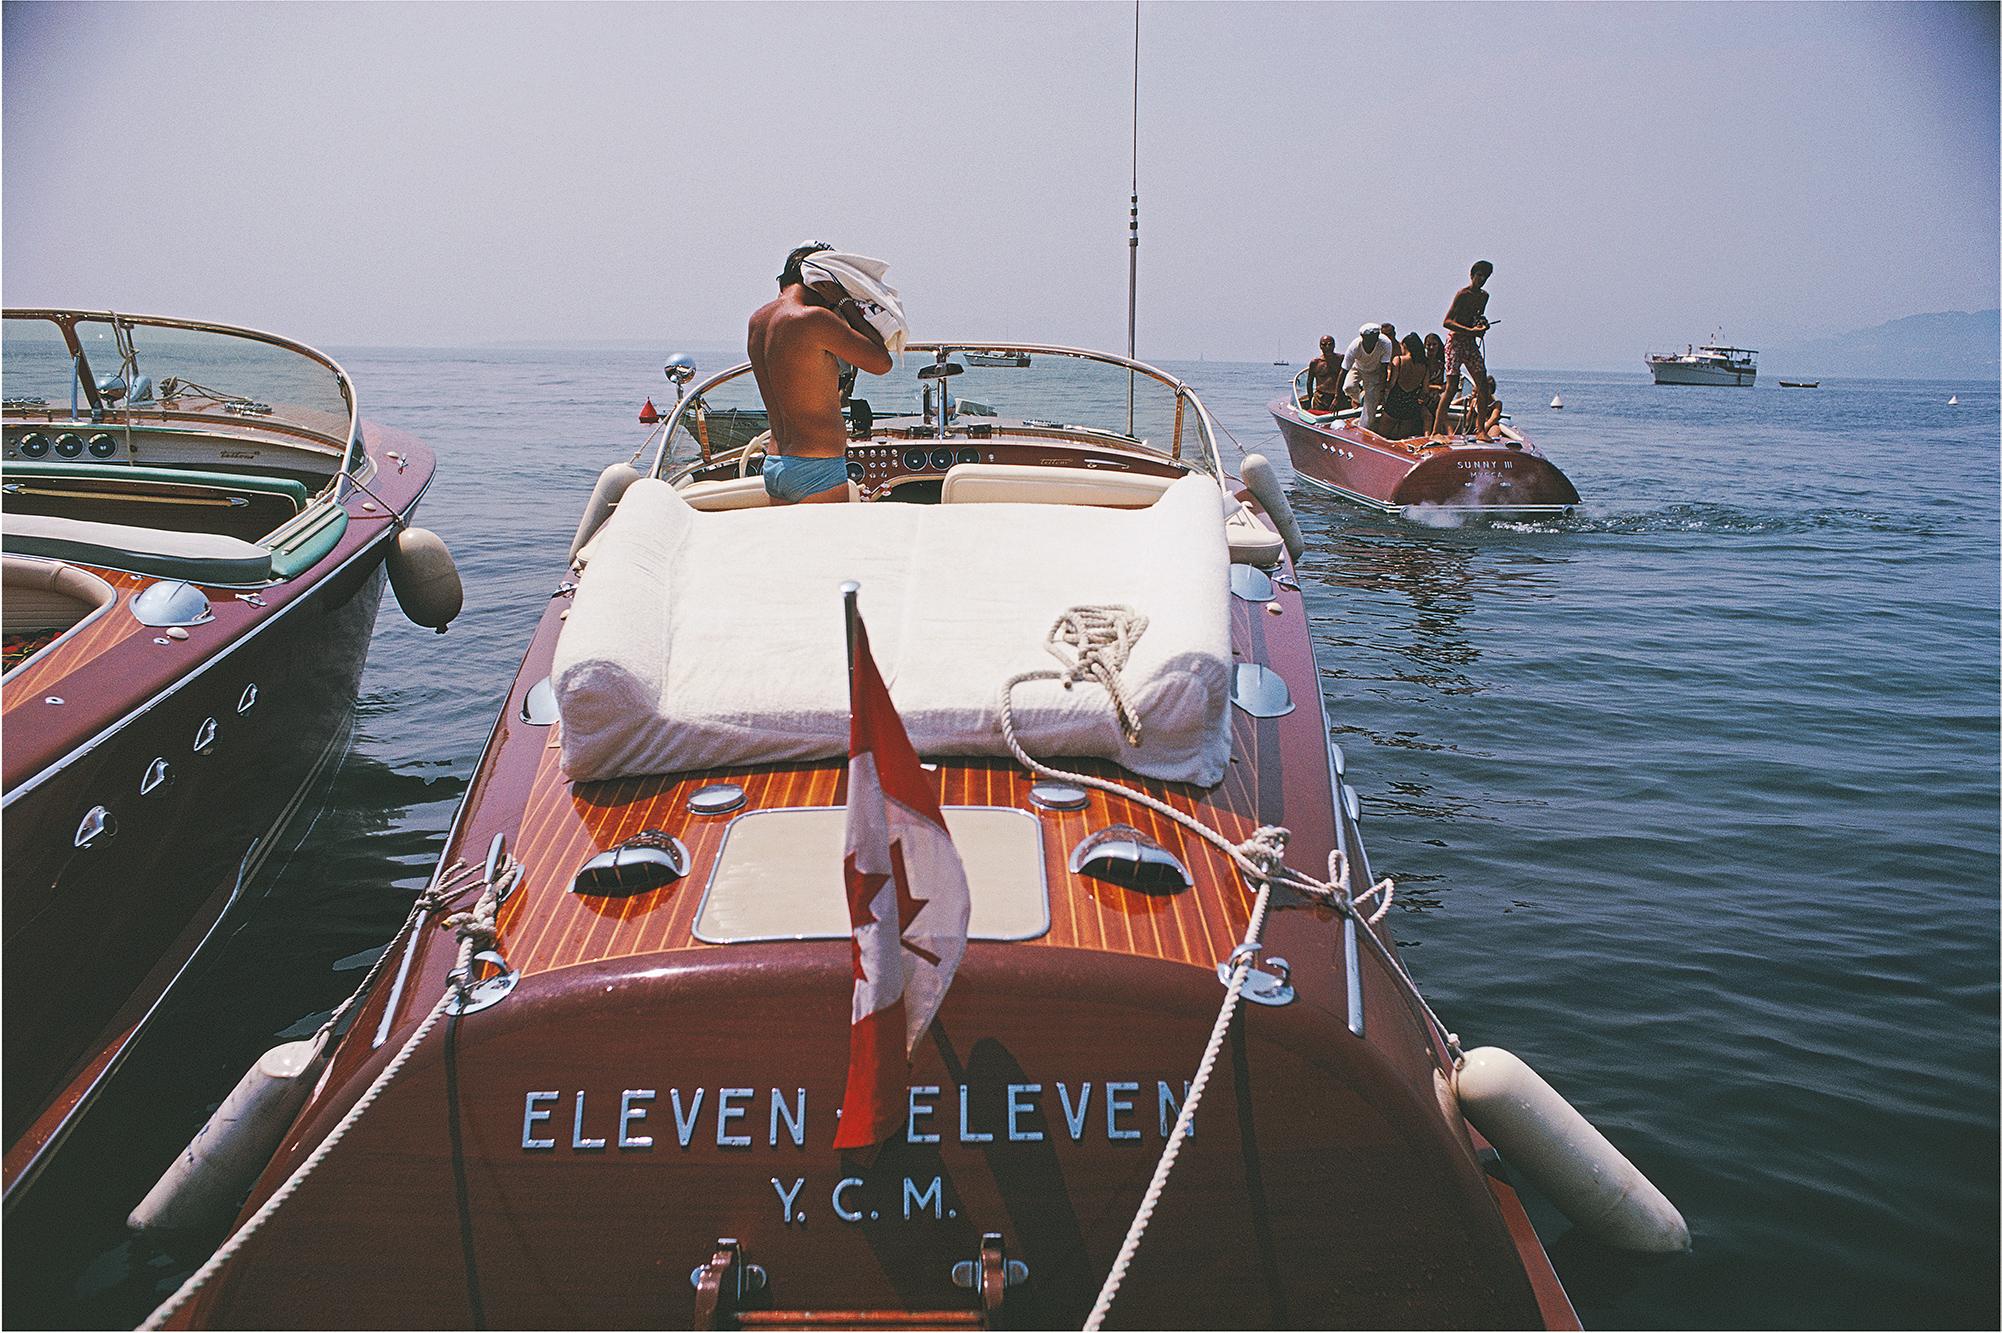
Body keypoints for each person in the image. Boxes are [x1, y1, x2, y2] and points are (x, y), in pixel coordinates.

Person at [745, 242, 894, 503]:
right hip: (816, 467)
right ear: (822, 283)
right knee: (827, 545)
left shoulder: (757, 321)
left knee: (789, 544)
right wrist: (845, 303)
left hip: (774, 463)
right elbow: (881, 362)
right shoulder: (812, 319)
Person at [1431, 260, 1494, 440]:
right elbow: (1447, 322)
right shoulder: (1462, 295)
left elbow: (1476, 317)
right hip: (1456, 341)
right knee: (1451, 387)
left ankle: (1480, 429)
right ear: (1472, 275)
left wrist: (1481, 325)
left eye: (1485, 277)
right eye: (1479, 276)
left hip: (1470, 342)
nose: (1482, 280)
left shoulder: (1484, 297)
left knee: (1482, 384)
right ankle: (1436, 431)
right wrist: (1470, 331)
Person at [1341, 323, 1394, 432]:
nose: (1372, 342)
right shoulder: (1354, 346)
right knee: (1348, 387)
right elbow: (1344, 370)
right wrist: (1337, 397)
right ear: (1362, 337)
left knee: (1370, 408)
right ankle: (1357, 398)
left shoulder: (1386, 343)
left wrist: (1381, 390)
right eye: (1369, 339)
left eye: (1374, 338)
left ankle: (1363, 429)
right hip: (1358, 367)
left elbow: (1384, 368)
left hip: (1374, 372)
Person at [1379, 334, 1430, 439]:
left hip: (1395, 402)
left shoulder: (1399, 360)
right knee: (1402, 440)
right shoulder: (1424, 366)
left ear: (1405, 346)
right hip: (1410, 405)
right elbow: (1425, 390)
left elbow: (1391, 384)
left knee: (1381, 437)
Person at [1305, 334, 1348, 412]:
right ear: (1320, 346)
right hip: (1321, 399)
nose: (1327, 347)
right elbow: (1309, 382)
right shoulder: (1315, 363)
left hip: (1339, 397)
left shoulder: (1341, 359)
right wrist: (1310, 400)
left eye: (1330, 344)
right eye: (1324, 344)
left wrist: (1337, 397)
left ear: (1334, 345)